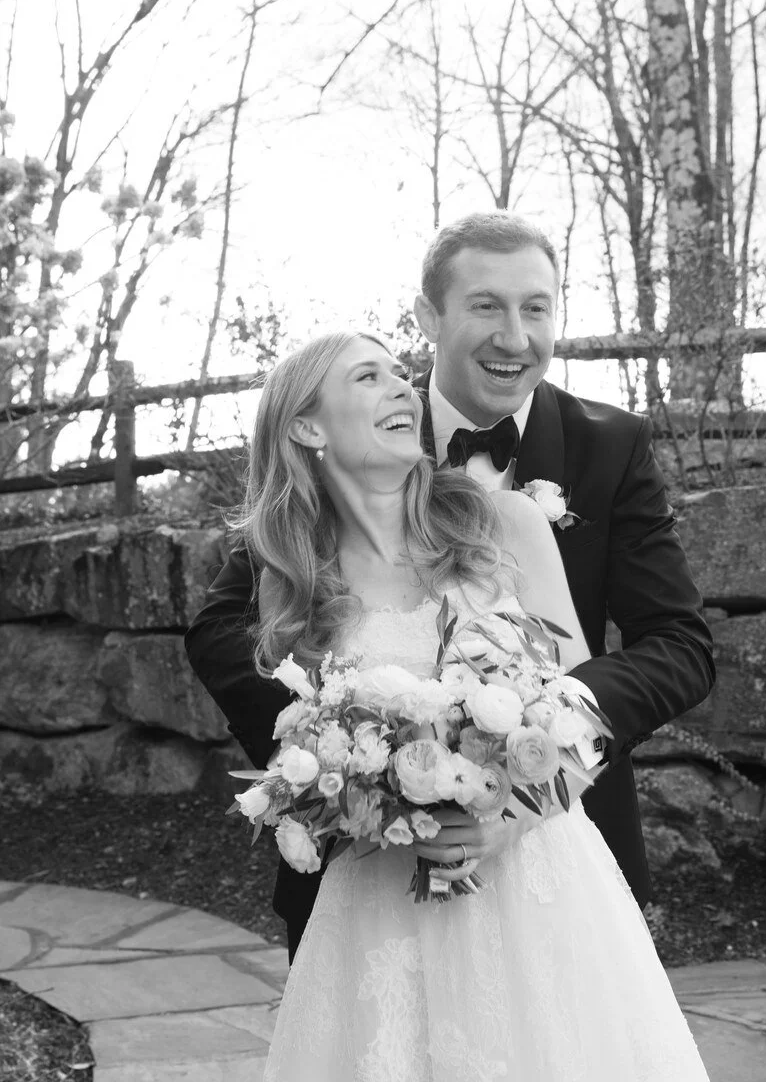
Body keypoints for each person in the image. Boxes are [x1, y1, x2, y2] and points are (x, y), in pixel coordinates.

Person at [185, 211, 715, 961]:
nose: (515, 336)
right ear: (428, 315)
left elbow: (678, 646)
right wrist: (350, 772)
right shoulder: (357, 436)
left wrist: (537, 778)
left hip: (554, 844)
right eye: (485, 306)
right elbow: (222, 631)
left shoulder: (610, 445)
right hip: (366, 873)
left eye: (536, 307)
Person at [240, 329, 709, 1080]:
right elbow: (312, 740)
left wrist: (507, 819)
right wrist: (357, 793)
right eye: (369, 377)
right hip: (379, 896)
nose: (401, 386)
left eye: (399, 373)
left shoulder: (504, 522)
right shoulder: (293, 573)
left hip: (534, 871)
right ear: (306, 426)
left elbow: (578, 706)